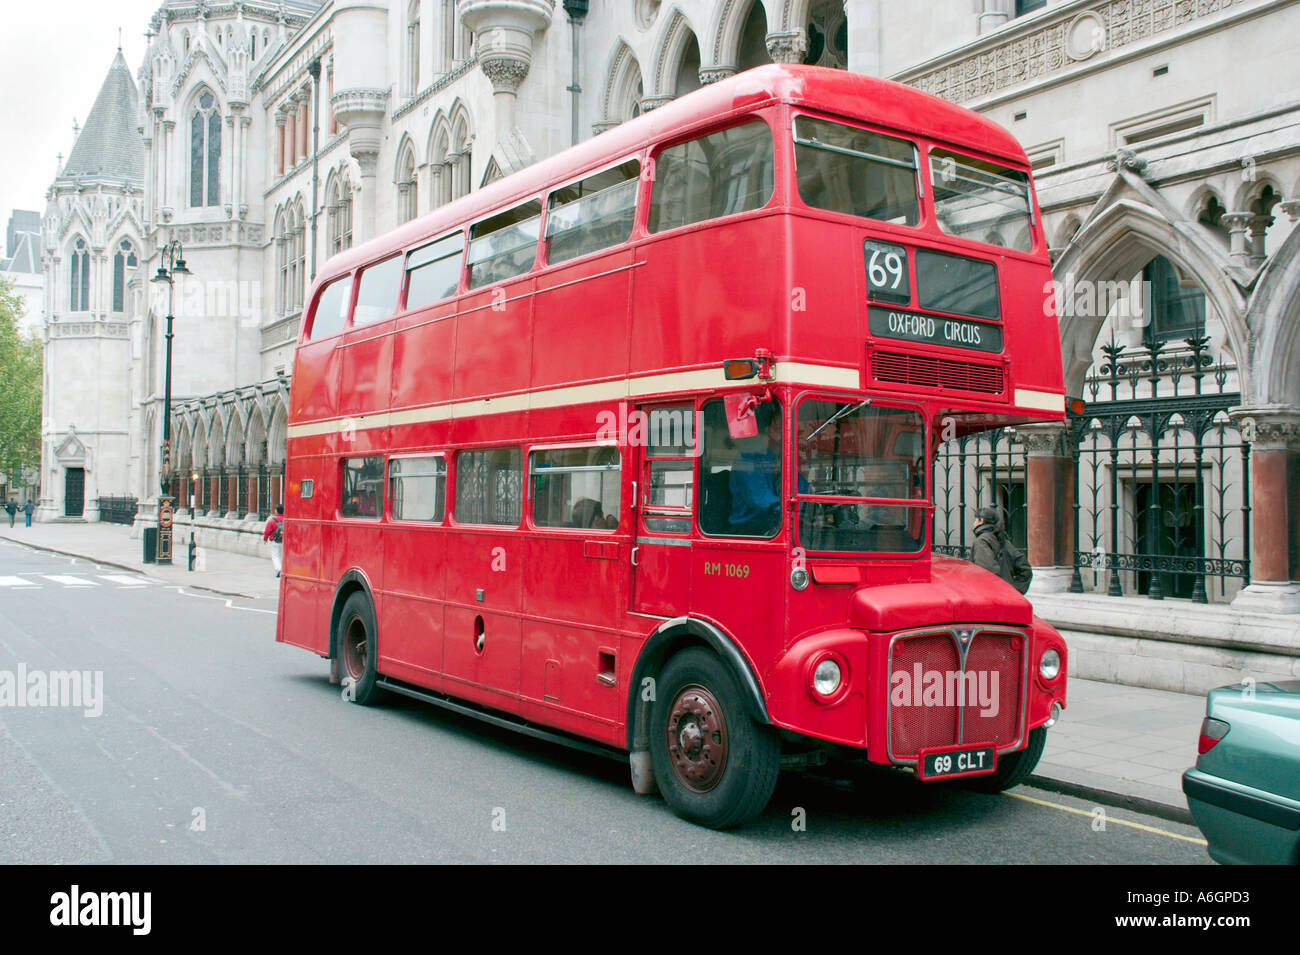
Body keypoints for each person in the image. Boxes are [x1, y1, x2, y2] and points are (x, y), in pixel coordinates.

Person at [971, 505, 1032, 594]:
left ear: (981, 521)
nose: (973, 523)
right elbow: (1025, 569)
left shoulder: (981, 541)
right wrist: (1014, 590)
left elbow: (987, 572)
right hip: (1004, 596)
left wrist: (1012, 591)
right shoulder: (1003, 540)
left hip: (990, 597)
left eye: (975, 520)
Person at [263, 505, 284, 577]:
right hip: (284, 541)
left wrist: (265, 539)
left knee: (275, 556)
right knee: (281, 555)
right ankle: (282, 569)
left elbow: (267, 531)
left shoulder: (272, 520)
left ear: (276, 511)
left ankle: (279, 569)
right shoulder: (286, 519)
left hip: (275, 541)